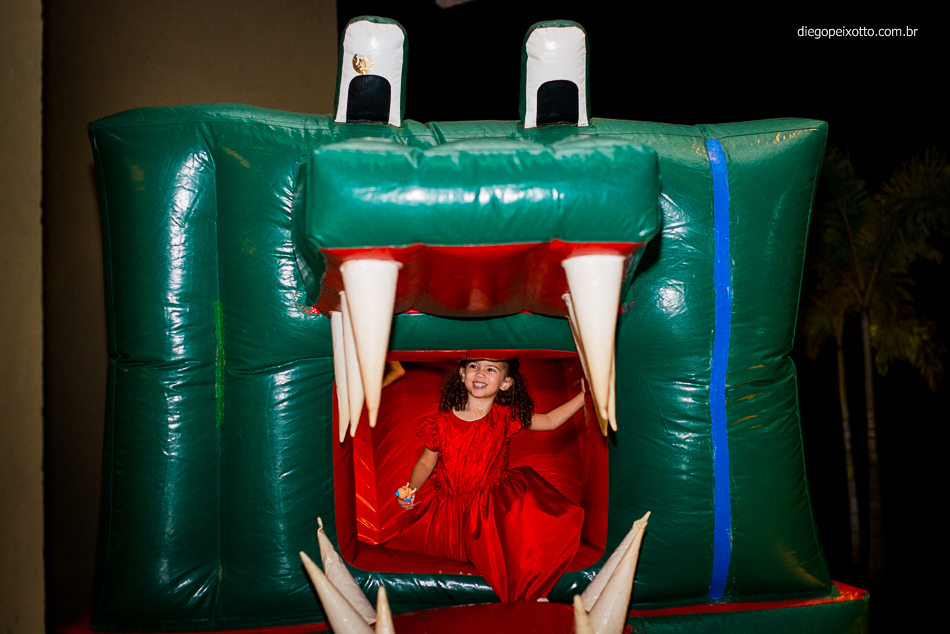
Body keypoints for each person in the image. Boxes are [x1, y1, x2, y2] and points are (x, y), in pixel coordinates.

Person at [386, 359, 586, 602]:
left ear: (505, 383)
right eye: (474, 367)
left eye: (491, 369)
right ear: (462, 374)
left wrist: (584, 396)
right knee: (431, 562)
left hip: (491, 507)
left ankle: (528, 593)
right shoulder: (441, 423)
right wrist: (411, 489)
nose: (480, 373)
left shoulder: (506, 418)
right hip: (451, 508)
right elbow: (426, 463)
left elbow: (551, 421)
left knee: (509, 548)